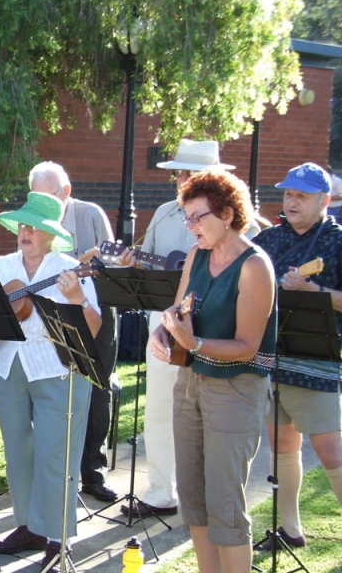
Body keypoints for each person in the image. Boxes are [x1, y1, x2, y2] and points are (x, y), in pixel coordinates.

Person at [119, 139, 253, 520]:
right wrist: (134, 264)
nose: (181, 179)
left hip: (218, 332)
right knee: (161, 409)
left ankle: (210, 499)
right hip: (168, 322)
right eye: (178, 173)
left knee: (212, 417)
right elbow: (152, 265)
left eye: (189, 173)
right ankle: (162, 493)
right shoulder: (164, 213)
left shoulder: (241, 222)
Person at [149, 169, 276, 572]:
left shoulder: (255, 266)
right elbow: (178, 309)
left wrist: (194, 344)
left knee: (225, 506)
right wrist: (164, 329)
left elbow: (247, 345)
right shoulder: (196, 256)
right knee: (194, 502)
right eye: (186, 217)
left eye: (197, 217)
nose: (190, 227)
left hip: (235, 391)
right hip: (190, 383)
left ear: (226, 214)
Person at [0, 192, 102, 571]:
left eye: (34, 226)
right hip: (8, 368)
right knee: (18, 452)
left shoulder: (71, 268)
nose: (26, 231)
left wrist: (78, 296)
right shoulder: (1, 266)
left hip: (58, 369)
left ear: (51, 234)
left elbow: (93, 327)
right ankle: (28, 527)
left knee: (56, 455)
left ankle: (58, 538)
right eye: (23, 224)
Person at [252, 162, 342, 550]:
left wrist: (314, 292)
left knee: (331, 451)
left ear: (325, 200)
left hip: (315, 359)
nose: (291, 201)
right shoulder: (268, 239)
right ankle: (290, 530)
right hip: (269, 357)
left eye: (301, 196)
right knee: (282, 446)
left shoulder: (338, 241)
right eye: (288, 193)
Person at [28, 161, 119, 503]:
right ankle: (48, 469)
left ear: (65, 192)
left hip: (93, 308)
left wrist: (89, 269)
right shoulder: (31, 219)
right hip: (47, 310)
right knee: (46, 386)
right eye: (34, 197)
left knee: (96, 387)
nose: (41, 204)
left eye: (48, 197)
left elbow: (111, 263)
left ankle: (91, 472)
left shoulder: (90, 214)